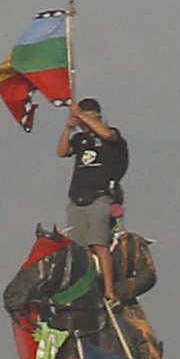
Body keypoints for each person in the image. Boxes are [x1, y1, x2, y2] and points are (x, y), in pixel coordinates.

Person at [59, 99, 126, 253]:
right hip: (79, 196)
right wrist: (68, 128)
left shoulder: (111, 135)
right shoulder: (80, 139)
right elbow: (63, 152)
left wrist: (81, 114)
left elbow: (107, 134)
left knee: (98, 242)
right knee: (79, 248)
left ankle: (108, 277)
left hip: (101, 195)